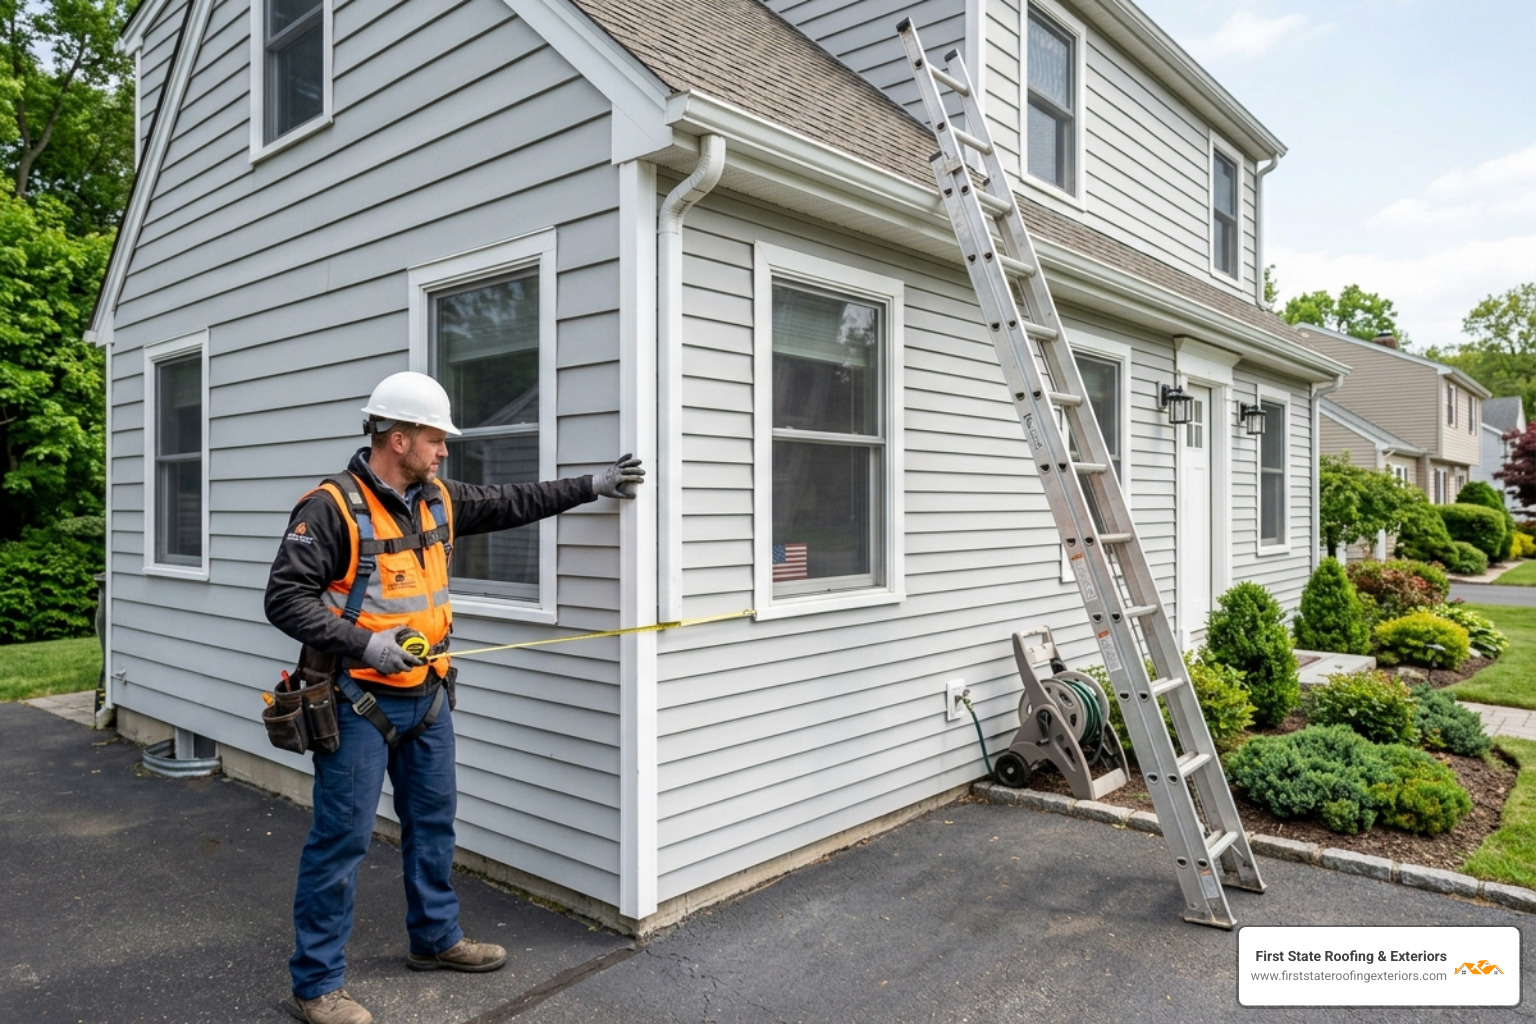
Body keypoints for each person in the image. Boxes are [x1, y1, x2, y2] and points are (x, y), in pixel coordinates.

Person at [264, 371, 644, 1024]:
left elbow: (513, 500)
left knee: (435, 827)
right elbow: (284, 599)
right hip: (358, 703)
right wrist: (364, 643)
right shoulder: (331, 509)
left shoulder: (438, 498)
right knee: (340, 843)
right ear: (400, 438)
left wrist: (594, 485)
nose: (444, 453)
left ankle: (435, 940)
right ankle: (316, 985)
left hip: (429, 698)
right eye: (436, 441)